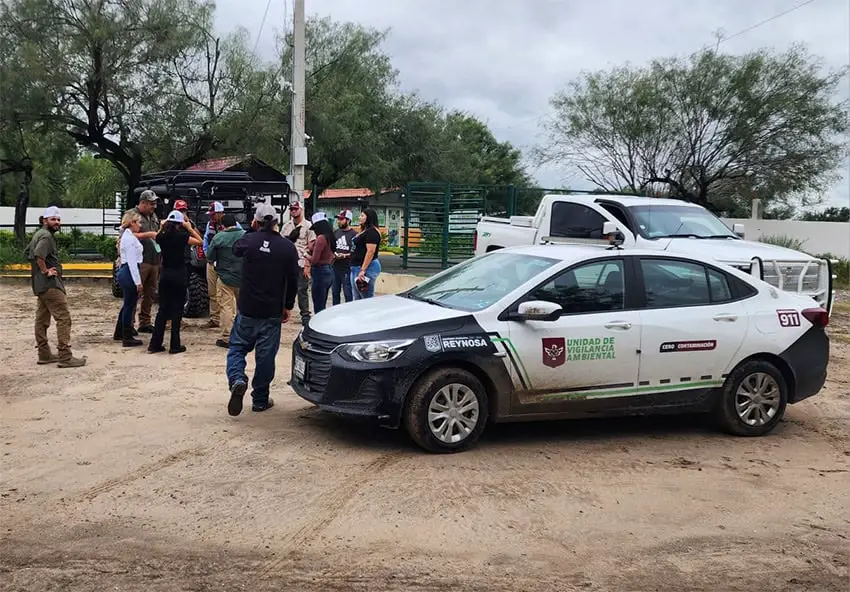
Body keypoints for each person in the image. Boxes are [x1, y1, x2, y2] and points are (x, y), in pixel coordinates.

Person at [226, 203, 299, 416]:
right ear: (277, 222)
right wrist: (288, 305)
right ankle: (260, 399)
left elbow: (235, 248)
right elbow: (293, 280)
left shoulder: (249, 240)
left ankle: (238, 379)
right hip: (272, 310)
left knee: (237, 348)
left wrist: (252, 231)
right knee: (266, 357)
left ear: (256, 221)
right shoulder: (287, 247)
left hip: (248, 308)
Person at [24, 206, 86, 367]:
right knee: (63, 318)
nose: (57, 222)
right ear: (45, 220)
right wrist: (46, 271)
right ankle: (65, 356)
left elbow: (28, 253)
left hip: (40, 285)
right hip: (50, 285)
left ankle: (44, 354)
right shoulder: (46, 237)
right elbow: (38, 254)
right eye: (53, 219)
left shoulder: (38, 234)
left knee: (42, 319)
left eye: (58, 219)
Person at [148, 210, 203, 354]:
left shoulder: (162, 236)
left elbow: (157, 235)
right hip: (179, 274)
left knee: (162, 310)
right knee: (177, 310)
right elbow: (200, 242)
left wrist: (162, 226)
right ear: (180, 224)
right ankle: (175, 345)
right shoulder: (183, 236)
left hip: (165, 274)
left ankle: (155, 344)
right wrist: (190, 228)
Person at [206, 213, 246, 348]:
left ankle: (227, 337)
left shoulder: (219, 237)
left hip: (225, 278)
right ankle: (245, 335)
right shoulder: (246, 236)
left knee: (227, 307)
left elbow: (210, 257)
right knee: (244, 307)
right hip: (244, 278)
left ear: (222, 226)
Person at [280, 199, 315, 325]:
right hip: (288, 262)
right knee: (283, 288)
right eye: (292, 209)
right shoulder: (287, 226)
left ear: (301, 209)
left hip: (301, 261)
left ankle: (305, 315)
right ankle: (282, 311)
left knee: (302, 290)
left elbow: (312, 247)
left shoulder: (309, 226)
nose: (294, 211)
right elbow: (281, 243)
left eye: (296, 209)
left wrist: (307, 264)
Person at [113, 210, 145, 347]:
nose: (140, 225)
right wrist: (138, 282)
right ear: (132, 223)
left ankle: (120, 331)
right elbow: (132, 262)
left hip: (125, 271)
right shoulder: (130, 239)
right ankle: (127, 336)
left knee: (127, 303)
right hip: (129, 271)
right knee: (129, 304)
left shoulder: (127, 236)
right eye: (138, 222)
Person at [131, 190, 161, 333]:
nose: (153, 206)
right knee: (134, 293)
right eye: (151, 204)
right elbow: (127, 235)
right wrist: (147, 234)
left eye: (154, 203)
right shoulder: (132, 215)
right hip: (140, 261)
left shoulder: (153, 216)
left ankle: (145, 322)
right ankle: (129, 324)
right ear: (142, 203)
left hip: (154, 260)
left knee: (150, 293)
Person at [202, 201, 226, 328]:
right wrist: (207, 254)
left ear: (220, 214)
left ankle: (227, 317)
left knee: (226, 292)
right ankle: (214, 318)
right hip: (212, 262)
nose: (211, 216)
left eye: (213, 214)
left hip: (225, 263)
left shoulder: (232, 224)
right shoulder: (209, 225)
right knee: (212, 291)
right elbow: (206, 240)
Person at [350, 208, 382, 299]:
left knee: (365, 298)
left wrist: (363, 270)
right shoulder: (364, 230)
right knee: (356, 297)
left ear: (369, 218)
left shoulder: (372, 232)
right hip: (355, 266)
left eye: (362, 216)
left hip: (366, 268)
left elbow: (370, 251)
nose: (360, 217)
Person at [309, 212, 335, 313]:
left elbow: (315, 260)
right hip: (328, 270)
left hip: (320, 272)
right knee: (322, 302)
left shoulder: (320, 238)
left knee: (318, 305)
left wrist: (306, 256)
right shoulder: (330, 237)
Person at [332, 210, 356, 304]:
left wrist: (345, 255)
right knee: (335, 292)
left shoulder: (354, 234)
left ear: (348, 220)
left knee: (348, 293)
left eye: (341, 219)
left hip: (347, 268)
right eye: (338, 219)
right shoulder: (336, 232)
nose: (339, 221)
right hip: (335, 266)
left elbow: (355, 252)